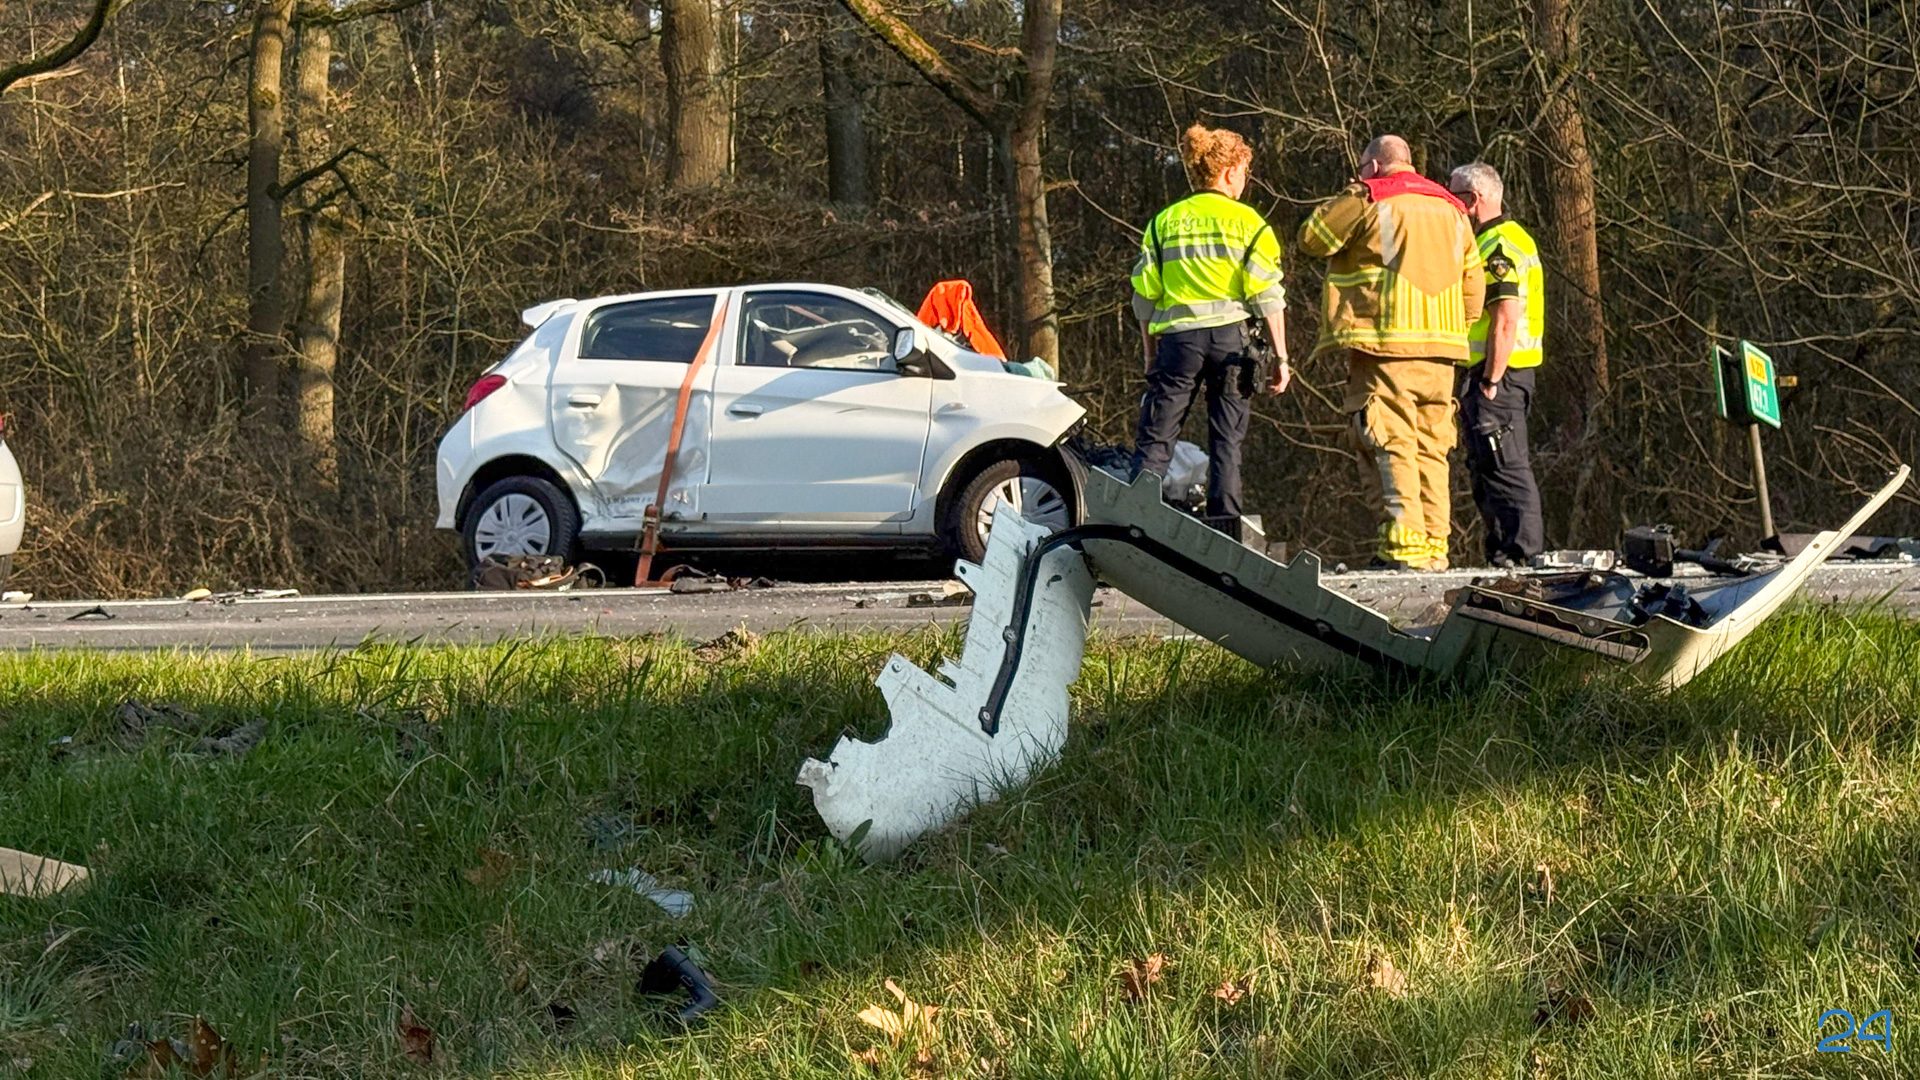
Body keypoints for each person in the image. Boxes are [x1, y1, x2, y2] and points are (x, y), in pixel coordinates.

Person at [1297, 135, 1484, 570]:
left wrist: (1354, 191)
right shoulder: (1453, 209)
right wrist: (1454, 328)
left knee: (1389, 440)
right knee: (1433, 447)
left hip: (1385, 345)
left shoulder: (1371, 196)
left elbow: (1313, 237)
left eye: (1363, 169)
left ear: (1374, 167)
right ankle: (1436, 548)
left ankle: (1403, 549)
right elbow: (1474, 287)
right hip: (1442, 351)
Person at [1129, 123, 1290, 520]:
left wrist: (1151, 354)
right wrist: (1282, 358)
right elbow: (1268, 297)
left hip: (1178, 342)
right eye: (1245, 172)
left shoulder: (1164, 222)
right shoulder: (1251, 224)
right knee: (1227, 441)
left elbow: (1145, 298)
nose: (1245, 181)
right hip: (1232, 342)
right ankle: (1226, 527)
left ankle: (1133, 520)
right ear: (1232, 170)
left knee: (1157, 437)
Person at [1448, 162, 1546, 567]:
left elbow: (1506, 316)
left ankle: (1522, 553)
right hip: (1498, 374)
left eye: (1455, 197)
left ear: (1474, 200)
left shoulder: (1498, 245)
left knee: (1505, 465)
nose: (1450, 205)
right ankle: (1504, 552)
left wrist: (1490, 379)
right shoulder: (1500, 240)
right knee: (1487, 466)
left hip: (1499, 376)